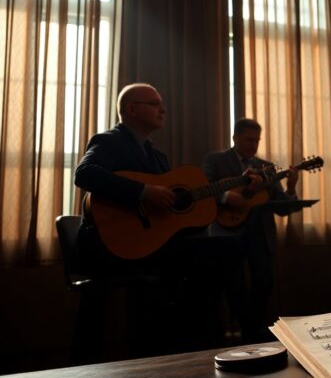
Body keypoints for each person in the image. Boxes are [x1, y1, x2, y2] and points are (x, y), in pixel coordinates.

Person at [74, 82, 243, 353]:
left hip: (150, 246)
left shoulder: (159, 157)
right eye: (154, 104)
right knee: (222, 251)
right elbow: (84, 174)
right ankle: (186, 338)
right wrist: (142, 191)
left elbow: (168, 218)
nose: (163, 109)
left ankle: (184, 337)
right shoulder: (108, 141)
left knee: (226, 246)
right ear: (131, 109)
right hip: (109, 247)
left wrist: (194, 213)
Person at [203, 118, 300, 343]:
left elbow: (283, 208)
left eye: (256, 140)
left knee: (264, 282)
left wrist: (292, 186)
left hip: (260, 235)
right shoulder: (216, 160)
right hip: (227, 235)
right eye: (248, 139)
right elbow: (204, 189)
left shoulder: (265, 167)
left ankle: (253, 334)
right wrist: (228, 197)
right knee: (233, 286)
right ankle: (242, 334)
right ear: (235, 138)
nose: (253, 145)